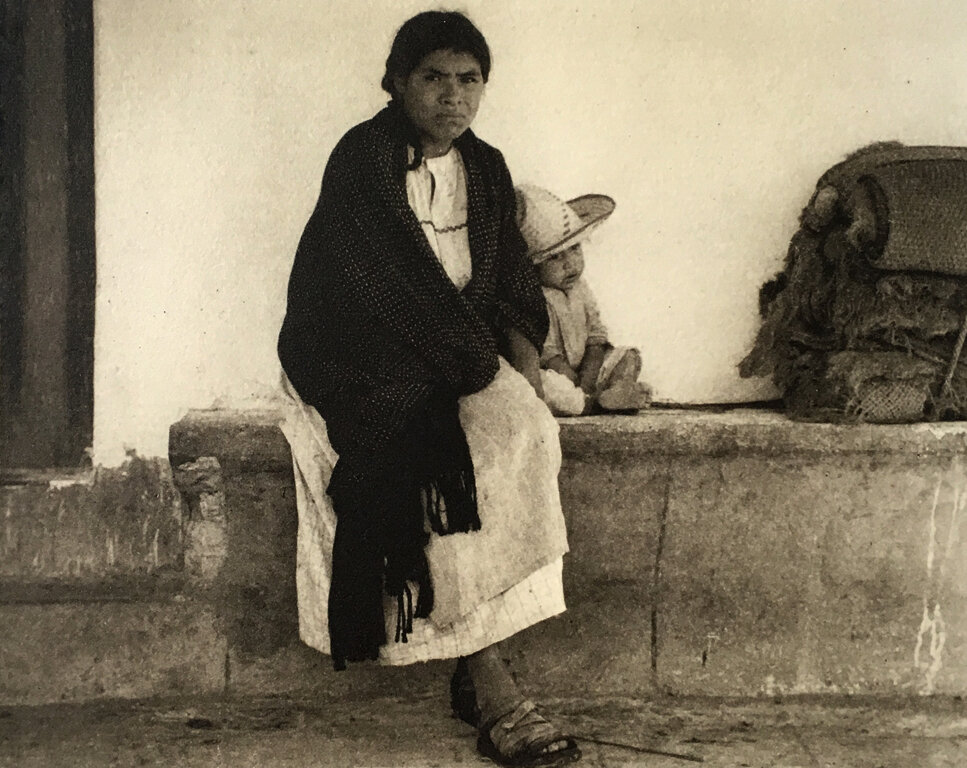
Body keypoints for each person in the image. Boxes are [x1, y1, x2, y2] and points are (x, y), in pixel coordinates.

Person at [277, 11, 580, 767]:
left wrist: (523, 370)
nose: (453, 97)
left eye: (469, 79)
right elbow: (388, 290)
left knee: (527, 436)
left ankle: (484, 666)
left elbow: (511, 282)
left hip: (459, 352)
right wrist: (481, 376)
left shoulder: (487, 166)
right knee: (443, 462)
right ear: (397, 83)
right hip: (361, 356)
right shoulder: (362, 160)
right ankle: (495, 689)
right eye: (433, 78)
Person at [515, 184, 652, 416]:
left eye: (575, 249)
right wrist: (575, 382)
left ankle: (616, 391)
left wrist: (589, 377)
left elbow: (596, 336)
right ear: (533, 266)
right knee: (544, 386)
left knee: (628, 356)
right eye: (555, 257)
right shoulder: (535, 297)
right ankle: (594, 403)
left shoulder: (581, 289)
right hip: (557, 372)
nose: (570, 264)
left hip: (586, 369)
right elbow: (547, 354)